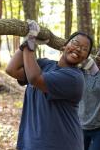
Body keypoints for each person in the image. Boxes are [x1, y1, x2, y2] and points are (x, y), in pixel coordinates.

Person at [5, 20, 94, 150]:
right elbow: (11, 69)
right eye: (75, 43)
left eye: (84, 49)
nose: (78, 49)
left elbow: (35, 78)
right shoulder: (44, 64)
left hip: (61, 144)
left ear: (85, 58)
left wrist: (31, 40)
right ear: (64, 46)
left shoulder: (74, 78)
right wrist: (27, 43)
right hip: (31, 142)